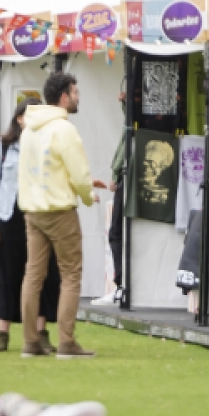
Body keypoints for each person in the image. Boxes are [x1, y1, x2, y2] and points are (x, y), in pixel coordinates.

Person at [18, 72, 106, 359]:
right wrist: (87, 197)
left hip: (33, 210)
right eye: (76, 93)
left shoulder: (30, 128)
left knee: (33, 275)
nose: (79, 98)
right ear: (65, 97)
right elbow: (79, 174)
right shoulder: (64, 129)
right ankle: (66, 342)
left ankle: (30, 341)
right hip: (59, 211)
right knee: (70, 275)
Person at [0, 98, 60, 353]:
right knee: (7, 272)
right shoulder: (1, 146)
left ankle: (41, 330)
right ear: (19, 118)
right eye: (29, 115)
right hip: (9, 215)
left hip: (37, 211)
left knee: (42, 272)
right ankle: (2, 333)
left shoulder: (46, 145)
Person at [93, 91, 126, 306]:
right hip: (122, 178)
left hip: (126, 179)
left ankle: (121, 284)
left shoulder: (134, 123)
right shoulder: (131, 123)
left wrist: (115, 175)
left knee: (116, 233)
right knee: (116, 233)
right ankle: (120, 284)